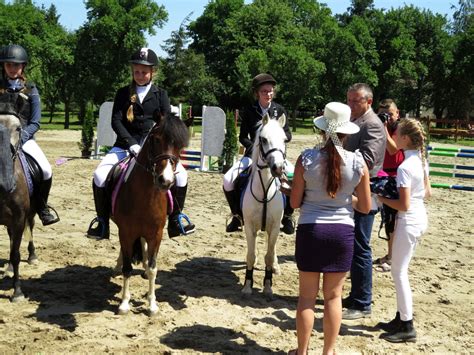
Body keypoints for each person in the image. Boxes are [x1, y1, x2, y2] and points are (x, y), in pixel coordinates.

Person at [86, 48, 195, 240]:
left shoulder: (161, 94)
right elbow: (116, 121)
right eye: (136, 71)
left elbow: (166, 122)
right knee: (100, 175)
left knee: (182, 176)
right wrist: (131, 143)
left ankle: (176, 218)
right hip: (124, 145)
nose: (140, 75)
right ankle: (102, 221)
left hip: (154, 147)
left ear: (152, 72)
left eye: (144, 72)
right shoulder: (123, 93)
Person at [289, 102, 371, 355]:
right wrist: (347, 199)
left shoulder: (306, 158)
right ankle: (328, 351)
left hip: (311, 230)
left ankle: (302, 351)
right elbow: (366, 207)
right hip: (341, 233)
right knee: (333, 298)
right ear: (347, 132)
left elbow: (293, 202)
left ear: (323, 130)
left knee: (306, 299)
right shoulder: (358, 163)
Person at [376, 118, 431, 343]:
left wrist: (381, 197)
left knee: (399, 272)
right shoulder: (419, 160)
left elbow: (404, 204)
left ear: (406, 139)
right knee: (400, 270)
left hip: (408, 219)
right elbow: (426, 192)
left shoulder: (405, 167)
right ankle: (400, 317)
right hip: (417, 217)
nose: (393, 137)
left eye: (397, 134)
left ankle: (407, 325)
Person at [222, 73, 295, 234]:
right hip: (253, 156)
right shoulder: (249, 110)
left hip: (275, 155)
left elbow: (288, 134)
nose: (268, 94)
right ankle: (237, 216)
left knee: (294, 177)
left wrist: (279, 139)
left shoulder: (279, 110)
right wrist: (254, 148)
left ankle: (288, 216)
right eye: (264, 91)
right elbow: (242, 137)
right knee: (228, 180)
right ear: (257, 93)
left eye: (271, 91)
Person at [0, 44, 60, 226]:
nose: (12, 69)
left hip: (24, 139)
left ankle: (42, 208)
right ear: (3, 66)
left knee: (46, 169)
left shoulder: (31, 90)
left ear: (23, 67)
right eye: (9, 65)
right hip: (0, 138)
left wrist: (22, 136)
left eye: (16, 65)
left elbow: (35, 122)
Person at [342, 83, 386, 320]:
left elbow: (367, 162)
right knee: (354, 245)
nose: (350, 105)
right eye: (348, 100)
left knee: (361, 247)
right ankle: (355, 294)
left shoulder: (373, 125)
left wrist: (338, 167)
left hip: (365, 193)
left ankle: (362, 302)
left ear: (368, 101)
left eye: (355, 101)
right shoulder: (357, 122)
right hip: (354, 192)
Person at [373, 99, 405, 272]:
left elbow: (393, 149)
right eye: (383, 114)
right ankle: (391, 254)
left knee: (393, 219)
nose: (388, 118)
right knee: (388, 219)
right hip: (383, 174)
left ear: (397, 113)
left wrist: (383, 127)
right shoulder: (379, 127)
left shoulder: (400, 128)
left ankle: (393, 257)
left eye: (390, 114)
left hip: (396, 176)